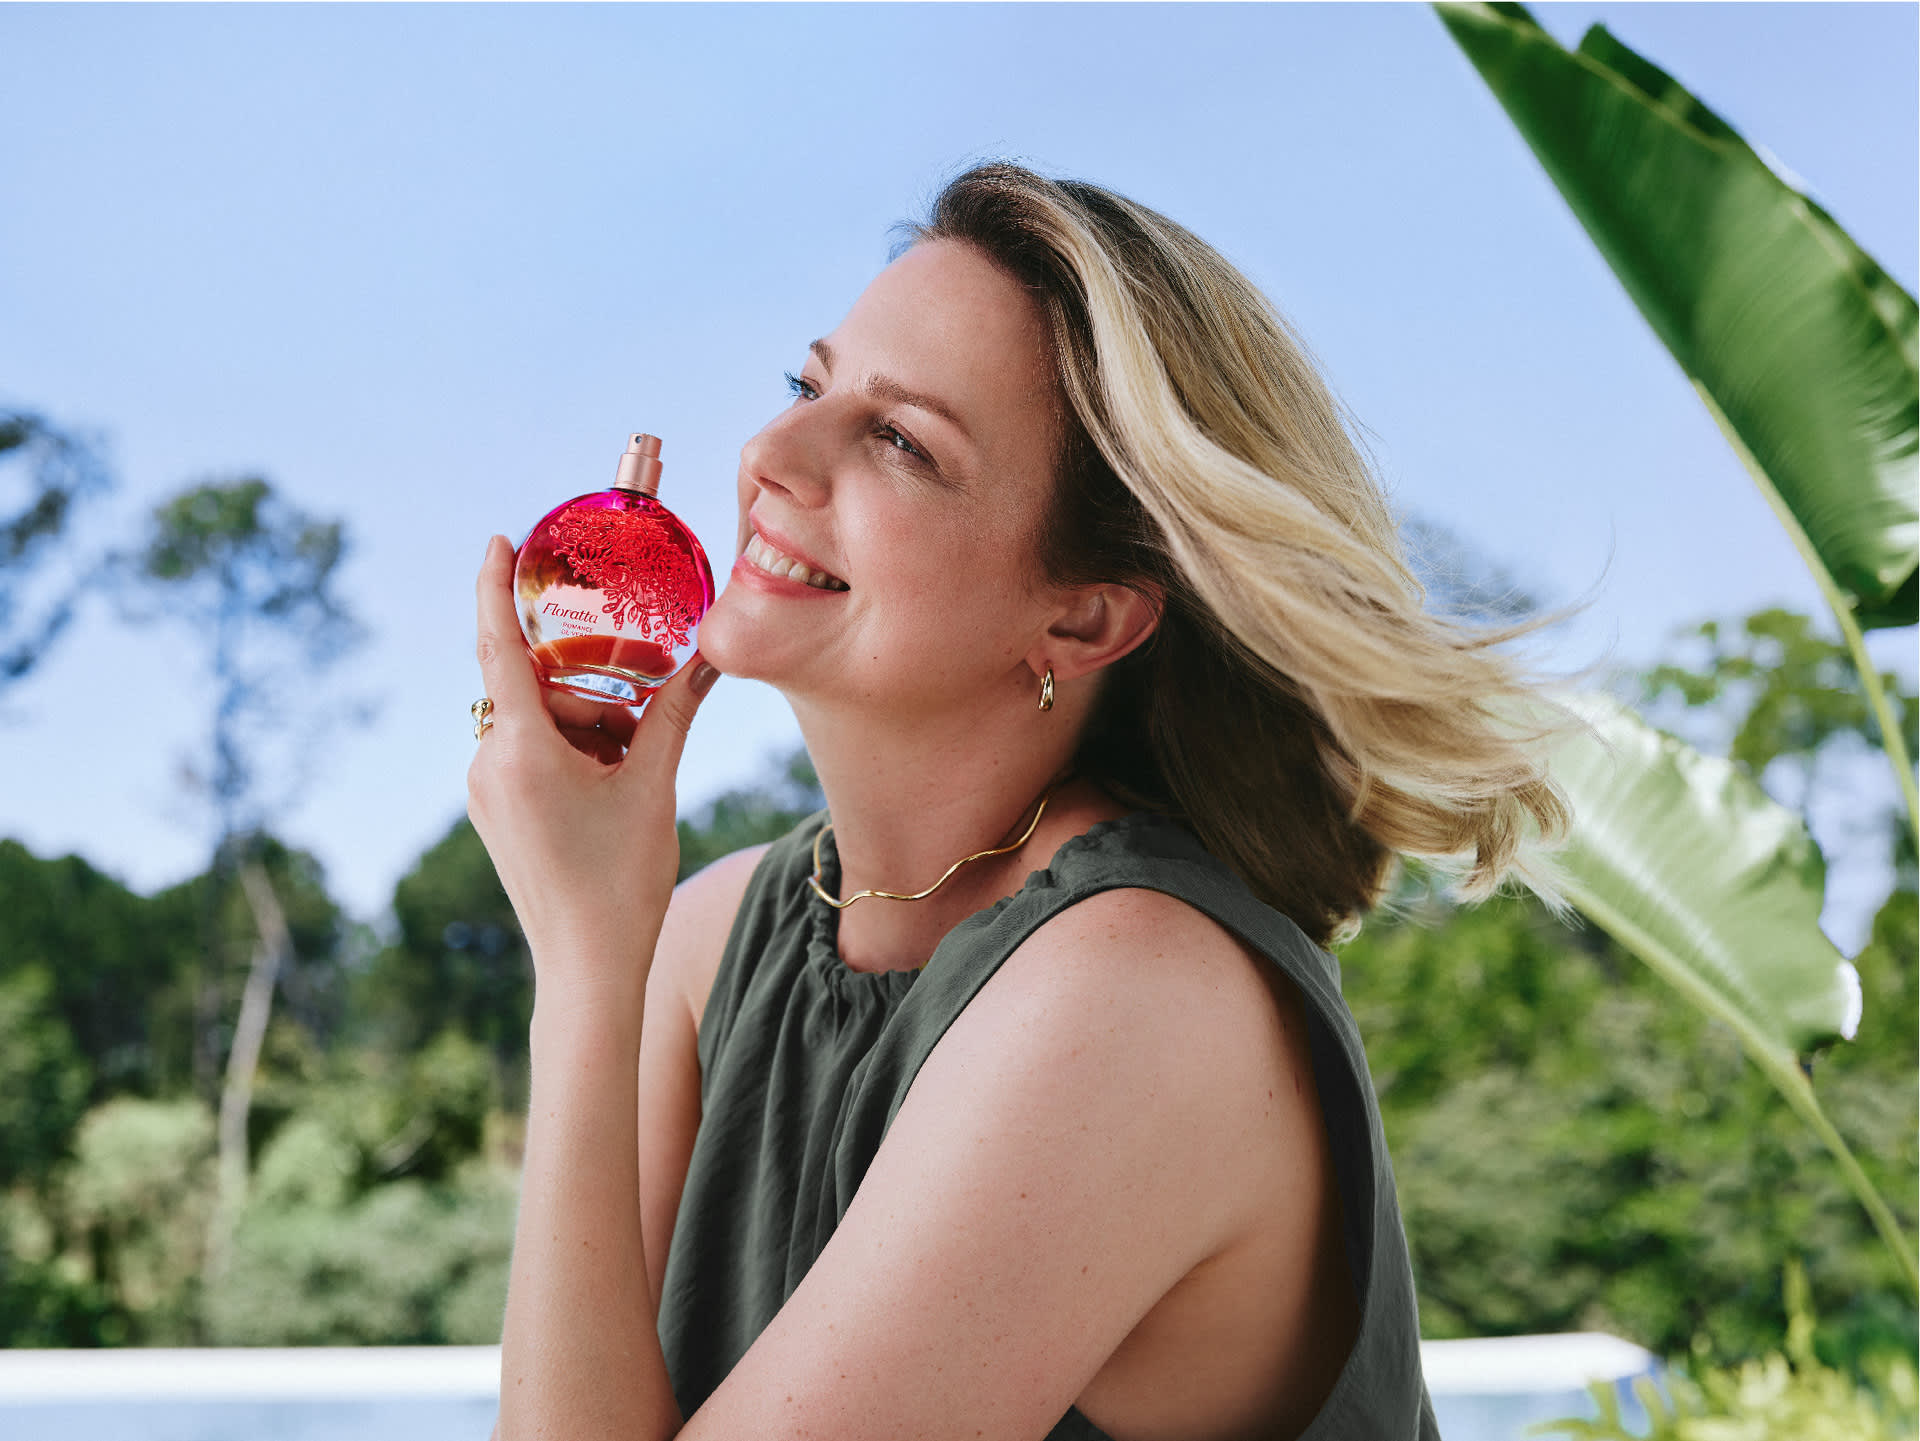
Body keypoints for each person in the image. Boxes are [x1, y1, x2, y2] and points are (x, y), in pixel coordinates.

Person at [467, 162, 1588, 1441]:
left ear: (1087, 611)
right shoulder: (710, 942)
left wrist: (577, 946)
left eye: (899, 441)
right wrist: (595, 954)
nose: (771, 455)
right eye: (808, 385)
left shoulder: (1132, 992)